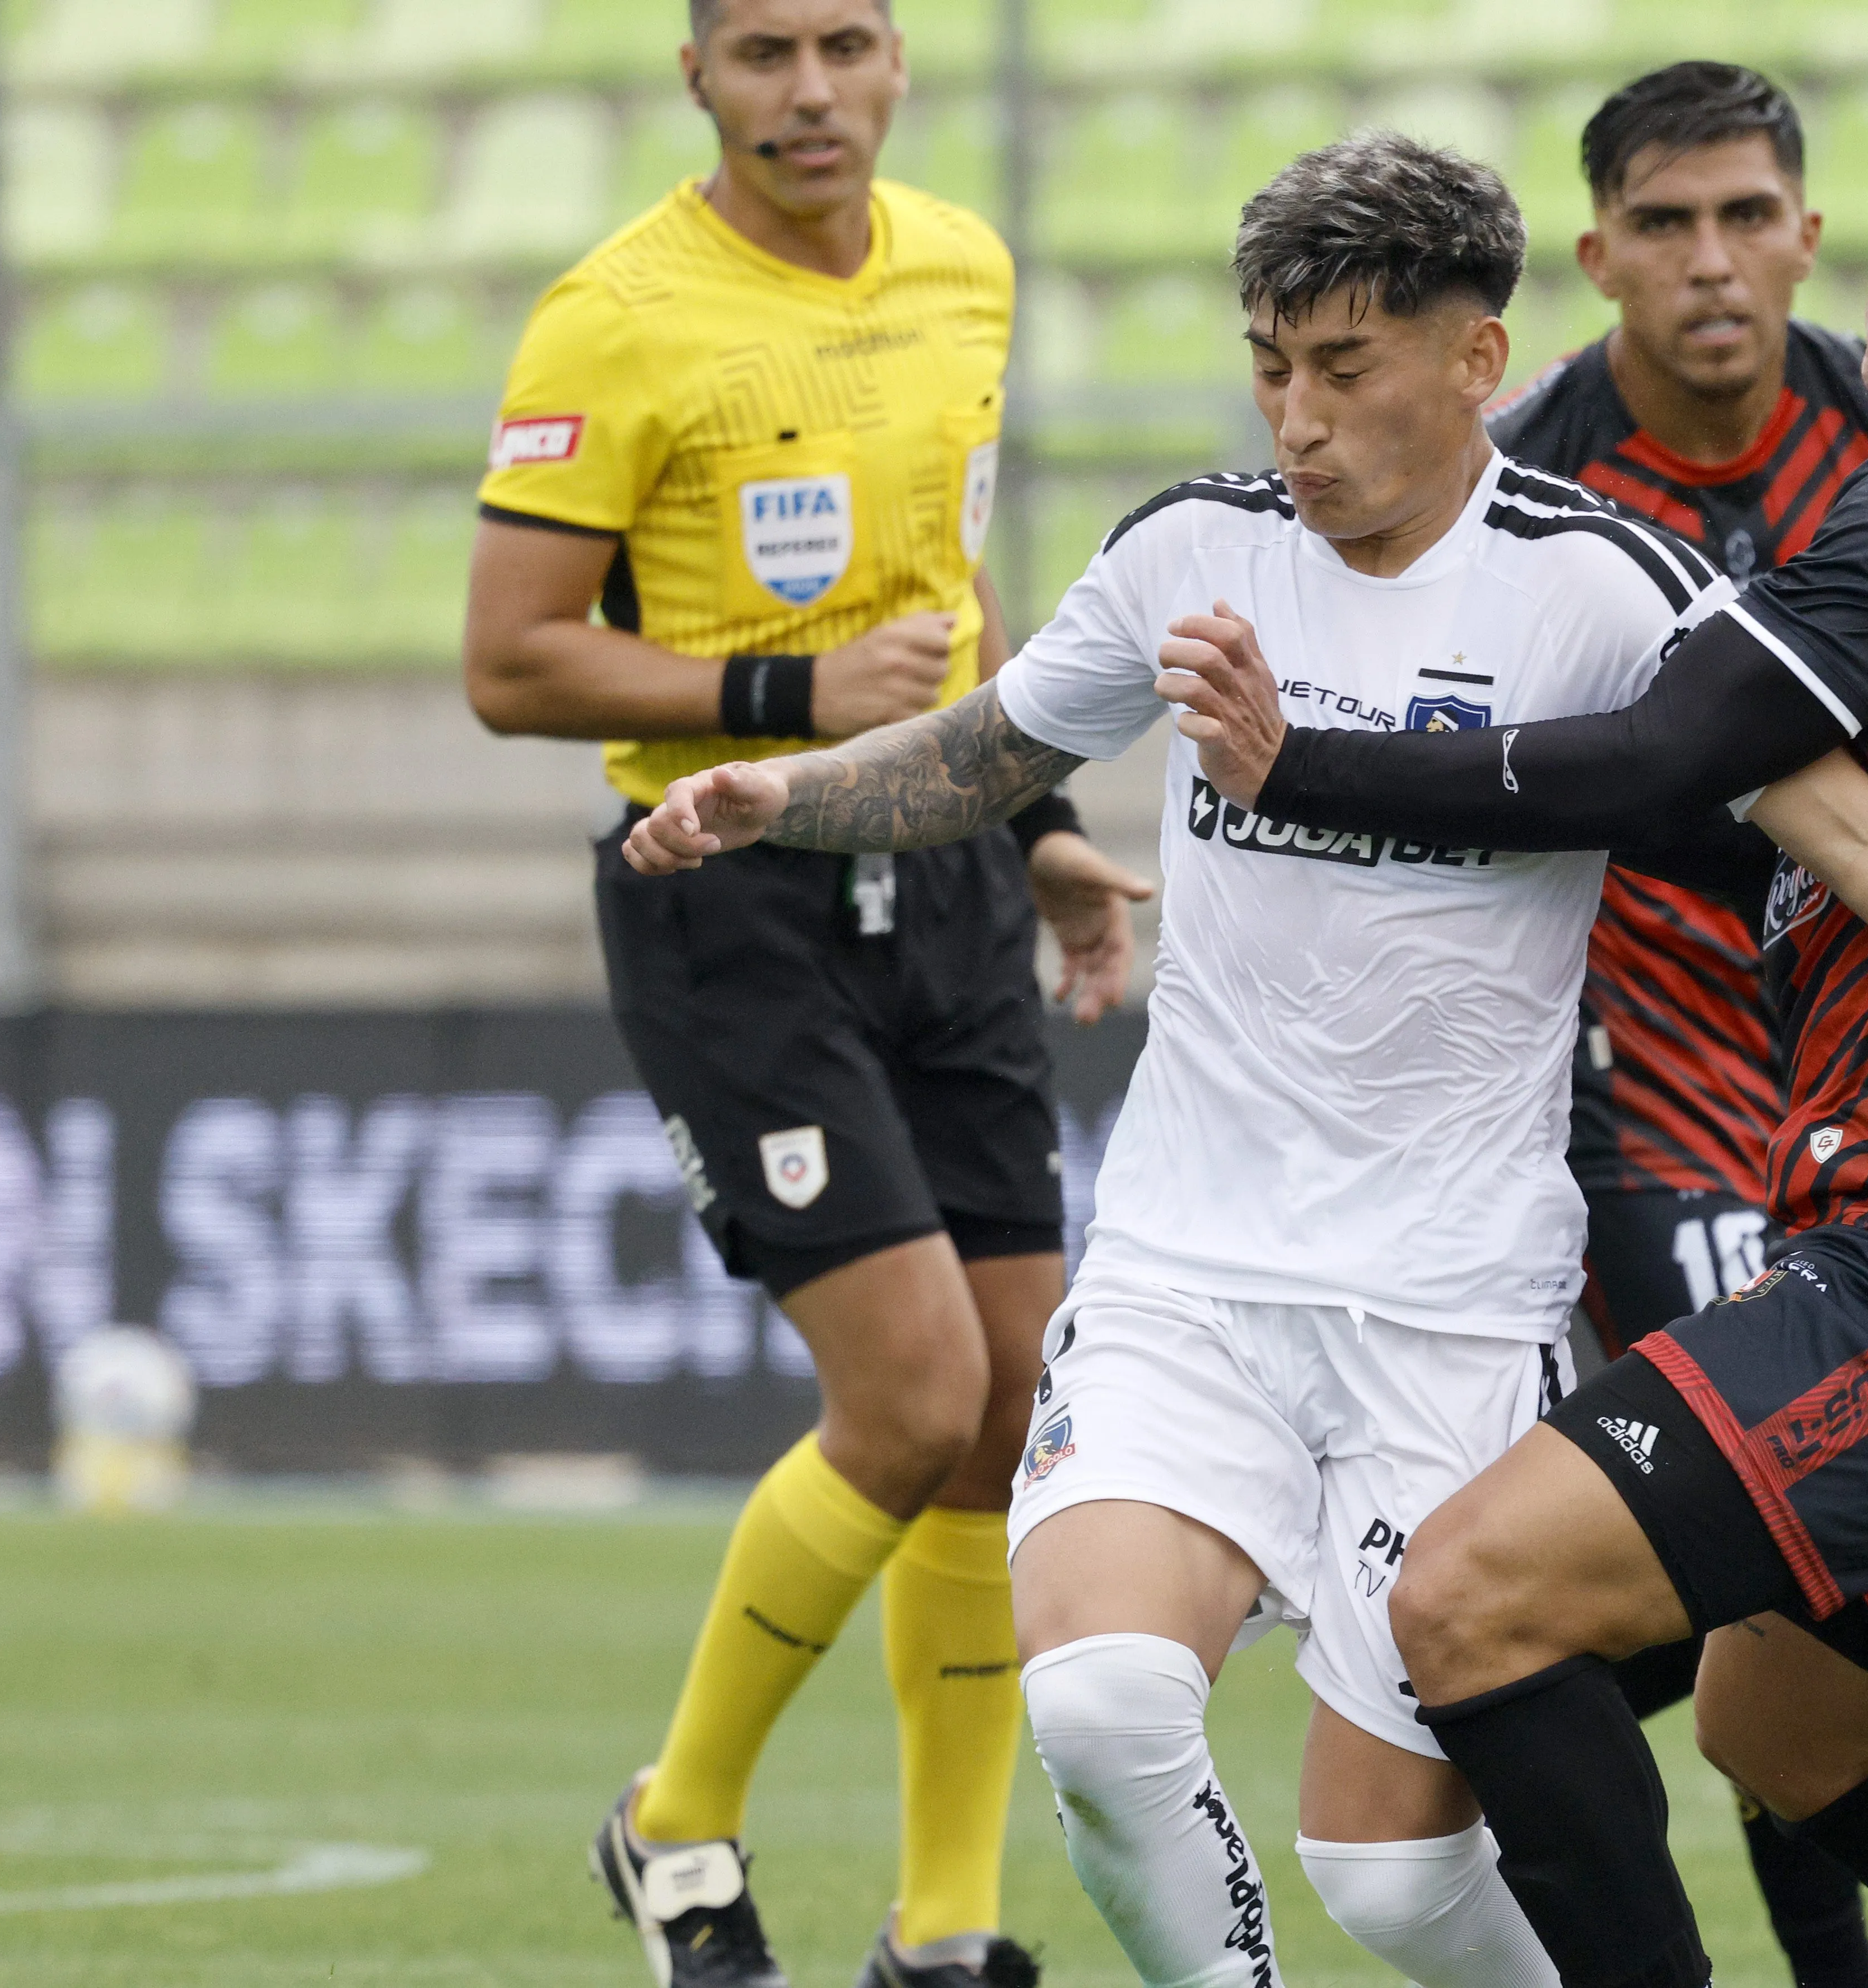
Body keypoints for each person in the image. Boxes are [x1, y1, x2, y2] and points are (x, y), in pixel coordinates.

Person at [616, 130, 1868, 1988]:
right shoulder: (1187, 554)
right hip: (1186, 1279)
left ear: (1476, 361)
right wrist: (785, 798)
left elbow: (1834, 828)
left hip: (1453, 1301)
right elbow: (991, 745)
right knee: (1103, 1708)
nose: (1298, 419)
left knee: (1396, 1872)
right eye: (1270, 367)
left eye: (1346, 368)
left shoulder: (1602, 588)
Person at [1151, 42, 1868, 1988]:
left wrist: (1295, 766)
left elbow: (1668, 755)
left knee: (1472, 1604)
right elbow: (1820, 820)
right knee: (1782, 1734)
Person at [462, 4, 1144, 1983]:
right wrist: (779, 699)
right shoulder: (614, 317)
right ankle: (673, 1828)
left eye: (847, 40)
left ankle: (945, 1933)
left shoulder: (965, 268)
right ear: (696, 77)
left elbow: (954, 587)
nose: (812, 89)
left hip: (937, 884)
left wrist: (1038, 829)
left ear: (900, 58)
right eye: (762, 50)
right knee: (912, 1387)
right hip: (725, 892)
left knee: (1010, 1413)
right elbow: (510, 664)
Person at [1491, 59, 1868, 1988]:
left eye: (1747, 216)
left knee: (1793, 1569)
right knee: (1770, 1526)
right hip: (1645, 1080)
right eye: (1663, 226)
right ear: (1595, 257)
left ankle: (1497, 1736)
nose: (1712, 262)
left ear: (1808, 235)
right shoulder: (1524, 487)